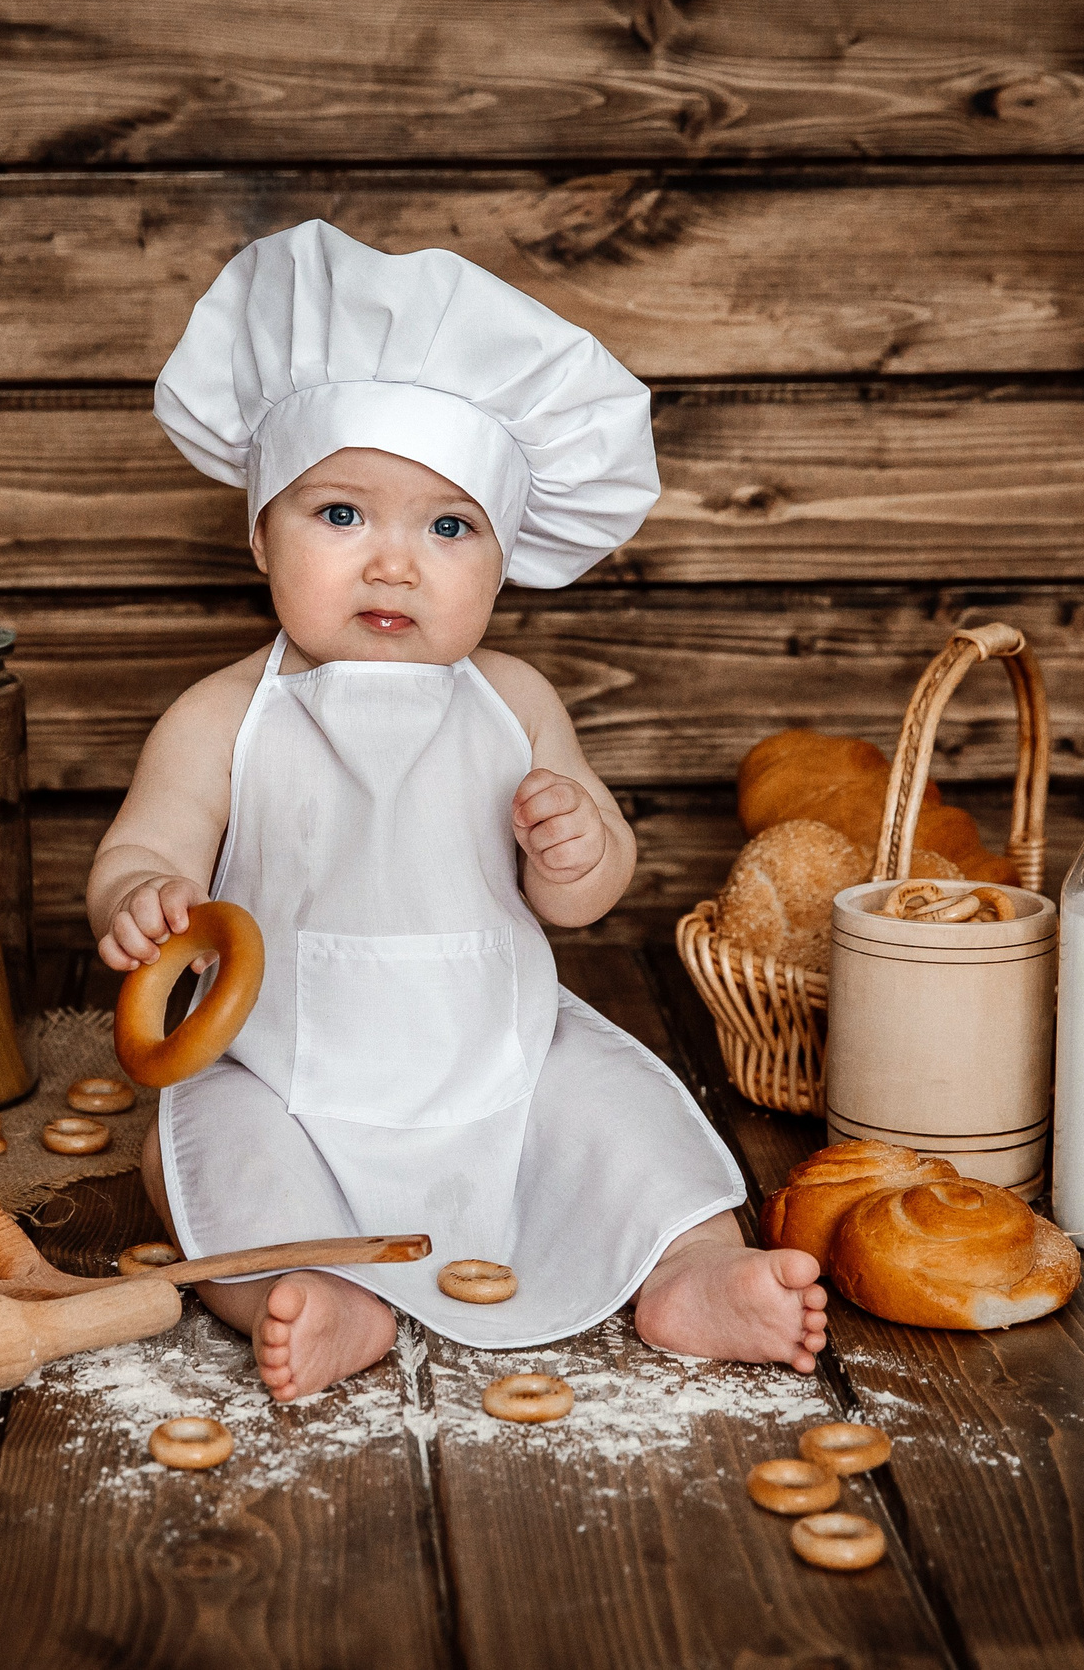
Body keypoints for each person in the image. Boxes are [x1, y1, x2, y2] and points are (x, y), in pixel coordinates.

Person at [86, 221, 827, 1401]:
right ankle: (322, 1294)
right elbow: (147, 841)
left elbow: (579, 900)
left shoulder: (513, 702)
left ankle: (688, 1273)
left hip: (500, 1060)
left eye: (447, 526)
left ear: (505, 554)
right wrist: (139, 895)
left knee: (629, 1126)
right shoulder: (224, 713)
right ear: (258, 531)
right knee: (196, 1163)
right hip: (284, 1068)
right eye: (340, 516)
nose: (393, 565)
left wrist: (578, 846)